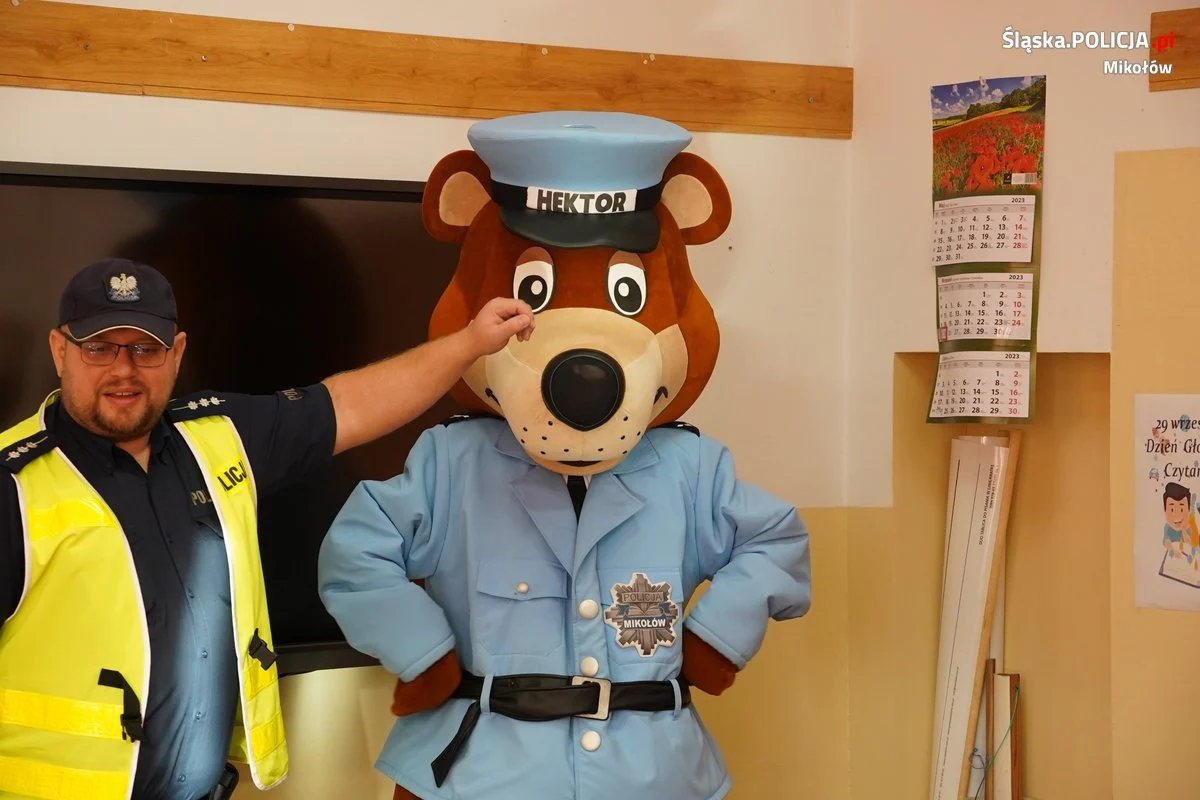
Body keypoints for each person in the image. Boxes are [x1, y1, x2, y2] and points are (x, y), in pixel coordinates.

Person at [0, 257, 534, 800]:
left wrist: (469, 343)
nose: (123, 370)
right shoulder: (13, 484)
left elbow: (350, 405)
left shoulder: (218, 437)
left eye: (145, 348)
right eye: (98, 348)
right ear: (60, 351)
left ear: (177, 353)